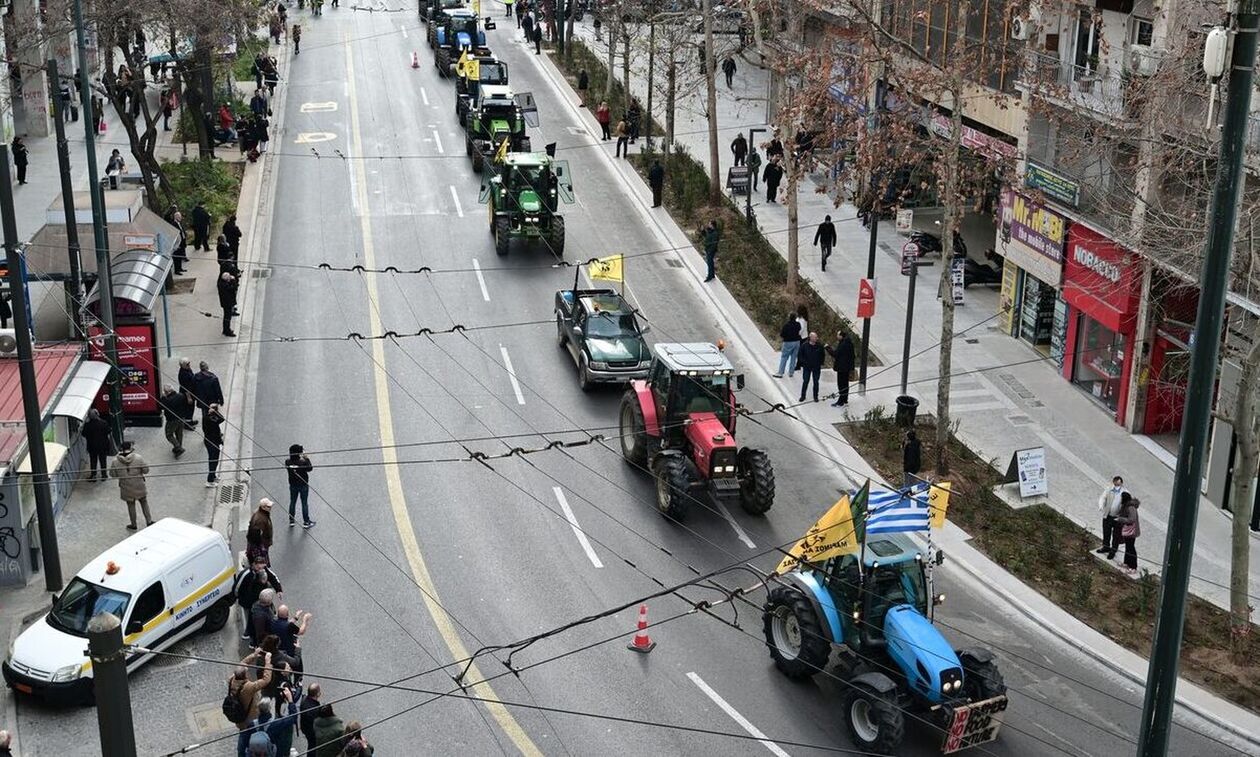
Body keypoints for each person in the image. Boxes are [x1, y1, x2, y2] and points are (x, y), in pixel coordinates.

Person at [233, 555, 282, 640]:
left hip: (261, 599)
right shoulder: (246, 574)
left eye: (263, 567)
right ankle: (249, 633)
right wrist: (239, 598)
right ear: (254, 565)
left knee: (266, 614)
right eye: (259, 568)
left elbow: (273, 577)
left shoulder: (264, 570)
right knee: (250, 618)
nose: (261, 570)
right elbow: (237, 588)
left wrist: (278, 590)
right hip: (248, 602)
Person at [228, 651, 273, 741]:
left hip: (238, 717)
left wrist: (254, 655)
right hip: (250, 718)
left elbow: (242, 664)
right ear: (245, 675)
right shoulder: (249, 687)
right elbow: (266, 680)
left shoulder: (231, 680)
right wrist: (268, 663)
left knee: (243, 732)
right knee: (252, 735)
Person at [109, 440, 153, 531]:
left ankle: (133, 524)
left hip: (126, 486)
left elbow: (112, 474)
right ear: (130, 448)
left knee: (130, 505)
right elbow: (146, 470)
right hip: (139, 484)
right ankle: (149, 521)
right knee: (144, 502)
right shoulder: (138, 458)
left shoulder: (115, 461)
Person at [1096, 477, 1128, 559]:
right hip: (1108, 515)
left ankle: (1113, 551)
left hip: (1118, 518)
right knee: (1106, 532)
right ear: (1113, 483)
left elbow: (1129, 505)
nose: (1117, 486)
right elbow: (1103, 497)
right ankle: (1106, 547)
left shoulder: (1125, 492)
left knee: (1116, 535)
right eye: (1116, 484)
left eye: (1119, 484)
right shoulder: (1109, 489)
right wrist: (1101, 506)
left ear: (1121, 484)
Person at [286, 444, 315, 527]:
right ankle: (306, 521)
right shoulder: (303, 462)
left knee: (292, 502)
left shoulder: (287, 462)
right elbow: (310, 468)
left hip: (293, 485)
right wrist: (306, 458)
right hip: (303, 485)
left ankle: (291, 520)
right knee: (304, 503)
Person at [826, 331, 855, 407]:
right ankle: (845, 399)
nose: (837, 336)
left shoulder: (843, 344)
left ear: (841, 336)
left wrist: (828, 348)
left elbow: (835, 354)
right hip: (847, 367)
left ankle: (840, 401)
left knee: (841, 385)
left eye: (838, 335)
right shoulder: (849, 343)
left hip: (842, 368)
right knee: (845, 384)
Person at [83, 408, 113, 481]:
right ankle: (104, 475)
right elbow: (109, 431)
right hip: (103, 446)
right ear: (97, 414)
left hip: (92, 446)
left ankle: (93, 476)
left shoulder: (88, 425)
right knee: (103, 460)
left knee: (93, 461)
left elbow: (83, 434)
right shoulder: (103, 423)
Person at [159, 386, 190, 456]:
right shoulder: (181, 395)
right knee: (179, 433)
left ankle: (178, 447)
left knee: (169, 434)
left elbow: (161, 406)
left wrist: (163, 397)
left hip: (172, 420)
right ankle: (179, 446)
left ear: (167, 392)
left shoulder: (167, 400)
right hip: (182, 417)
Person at [1114, 496, 1141, 574]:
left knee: (1131, 548)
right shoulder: (1127, 507)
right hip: (1129, 530)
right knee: (1128, 547)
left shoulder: (1131, 508)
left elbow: (1131, 519)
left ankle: (1133, 567)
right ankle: (1126, 563)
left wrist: (1120, 519)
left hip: (1132, 531)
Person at [797, 332, 825, 403]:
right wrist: (803, 363)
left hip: (816, 367)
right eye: (815, 337)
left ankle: (815, 396)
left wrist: (820, 363)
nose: (816, 338)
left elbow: (822, 355)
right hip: (807, 367)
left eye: (816, 337)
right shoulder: (804, 346)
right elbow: (800, 355)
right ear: (811, 338)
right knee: (805, 381)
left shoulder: (820, 346)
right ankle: (803, 396)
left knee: (816, 382)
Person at [247, 499, 276, 566]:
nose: (270, 508)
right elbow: (255, 534)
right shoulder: (260, 519)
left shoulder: (262, 514)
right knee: (260, 564)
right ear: (263, 507)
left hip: (261, 544)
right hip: (260, 546)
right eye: (268, 507)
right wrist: (261, 546)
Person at [773, 311, 802, 378]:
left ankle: (780, 372)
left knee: (784, 357)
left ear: (789, 317)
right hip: (797, 342)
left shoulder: (786, 325)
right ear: (795, 318)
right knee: (793, 357)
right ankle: (791, 372)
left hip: (788, 342)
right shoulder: (798, 324)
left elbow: (782, 334)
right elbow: (799, 330)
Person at [298, 684, 323, 754]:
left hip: (305, 728)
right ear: (317, 694)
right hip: (311, 732)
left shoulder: (304, 700)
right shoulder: (315, 709)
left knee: (311, 745)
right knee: (313, 747)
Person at [204, 403, 225, 486]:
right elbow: (221, 419)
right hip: (211, 442)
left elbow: (221, 419)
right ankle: (209, 480)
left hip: (215, 441)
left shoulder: (212, 417)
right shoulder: (208, 418)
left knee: (216, 460)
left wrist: (214, 412)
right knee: (212, 460)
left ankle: (213, 476)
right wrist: (214, 412)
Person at [219, 269, 239, 337]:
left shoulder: (221, 283)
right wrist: (233, 280)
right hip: (227, 303)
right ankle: (227, 331)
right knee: (227, 317)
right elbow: (234, 287)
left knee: (227, 317)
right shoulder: (225, 286)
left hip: (225, 303)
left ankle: (226, 329)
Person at [171, 210, 188, 274]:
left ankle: (180, 268)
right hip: (178, 243)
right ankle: (177, 270)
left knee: (180, 256)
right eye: (179, 217)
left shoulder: (179, 223)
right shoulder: (173, 224)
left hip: (182, 241)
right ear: (176, 217)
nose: (180, 218)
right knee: (177, 257)